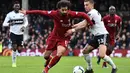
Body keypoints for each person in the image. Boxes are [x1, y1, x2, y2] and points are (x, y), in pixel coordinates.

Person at [20, 0, 93, 73]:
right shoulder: (54, 13)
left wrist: (90, 23)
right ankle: (49, 59)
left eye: (66, 10)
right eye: (63, 10)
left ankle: (47, 69)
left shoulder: (71, 14)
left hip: (64, 37)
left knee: (59, 53)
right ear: (58, 9)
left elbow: (83, 14)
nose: (65, 11)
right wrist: (27, 12)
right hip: (54, 37)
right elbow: (41, 12)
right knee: (46, 56)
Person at [65, 0, 117, 73]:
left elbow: (84, 25)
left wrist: (73, 30)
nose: (85, 6)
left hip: (102, 35)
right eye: (84, 5)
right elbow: (83, 22)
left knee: (102, 55)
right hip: (96, 36)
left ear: (92, 5)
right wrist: (72, 26)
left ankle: (114, 67)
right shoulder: (91, 13)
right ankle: (89, 69)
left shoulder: (92, 13)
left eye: (87, 5)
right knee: (85, 51)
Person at [2, 1, 28, 67]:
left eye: (18, 6)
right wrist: (9, 24)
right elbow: (4, 24)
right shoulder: (9, 14)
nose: (17, 7)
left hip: (20, 34)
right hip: (13, 33)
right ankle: (14, 63)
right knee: (14, 47)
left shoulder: (22, 14)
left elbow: (26, 22)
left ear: (19, 7)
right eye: (16, 6)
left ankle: (18, 51)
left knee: (19, 50)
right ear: (13, 7)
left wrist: (23, 26)